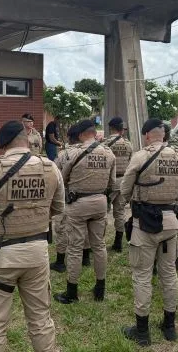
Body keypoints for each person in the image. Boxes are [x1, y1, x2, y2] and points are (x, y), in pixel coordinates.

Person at [0, 120, 64, 352]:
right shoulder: (50, 168)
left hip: (0, 256)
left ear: (3, 145)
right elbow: (58, 208)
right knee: (41, 320)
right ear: (26, 138)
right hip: (37, 253)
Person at [120, 118, 178, 346]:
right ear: (163, 134)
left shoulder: (141, 156)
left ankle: (142, 331)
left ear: (146, 135)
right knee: (169, 273)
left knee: (142, 276)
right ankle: (169, 325)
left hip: (144, 223)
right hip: (171, 222)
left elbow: (124, 190)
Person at [54, 120, 116, 304]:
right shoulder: (109, 154)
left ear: (81, 135)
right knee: (99, 245)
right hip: (100, 202)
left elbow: (62, 179)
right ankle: (100, 289)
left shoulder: (75, 153)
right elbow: (112, 184)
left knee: (74, 248)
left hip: (78, 203)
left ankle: (72, 291)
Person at [50, 124, 82, 273]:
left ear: (69, 138)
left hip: (66, 195)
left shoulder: (64, 154)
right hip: (86, 197)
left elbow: (54, 175)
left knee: (62, 227)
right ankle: (86, 257)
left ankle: (60, 261)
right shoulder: (94, 152)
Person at [104, 117, 134, 252]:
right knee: (120, 212)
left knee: (103, 212)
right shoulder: (128, 144)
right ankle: (118, 242)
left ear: (111, 128)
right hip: (124, 181)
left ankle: (98, 242)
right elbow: (131, 163)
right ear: (121, 129)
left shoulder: (105, 144)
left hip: (109, 182)